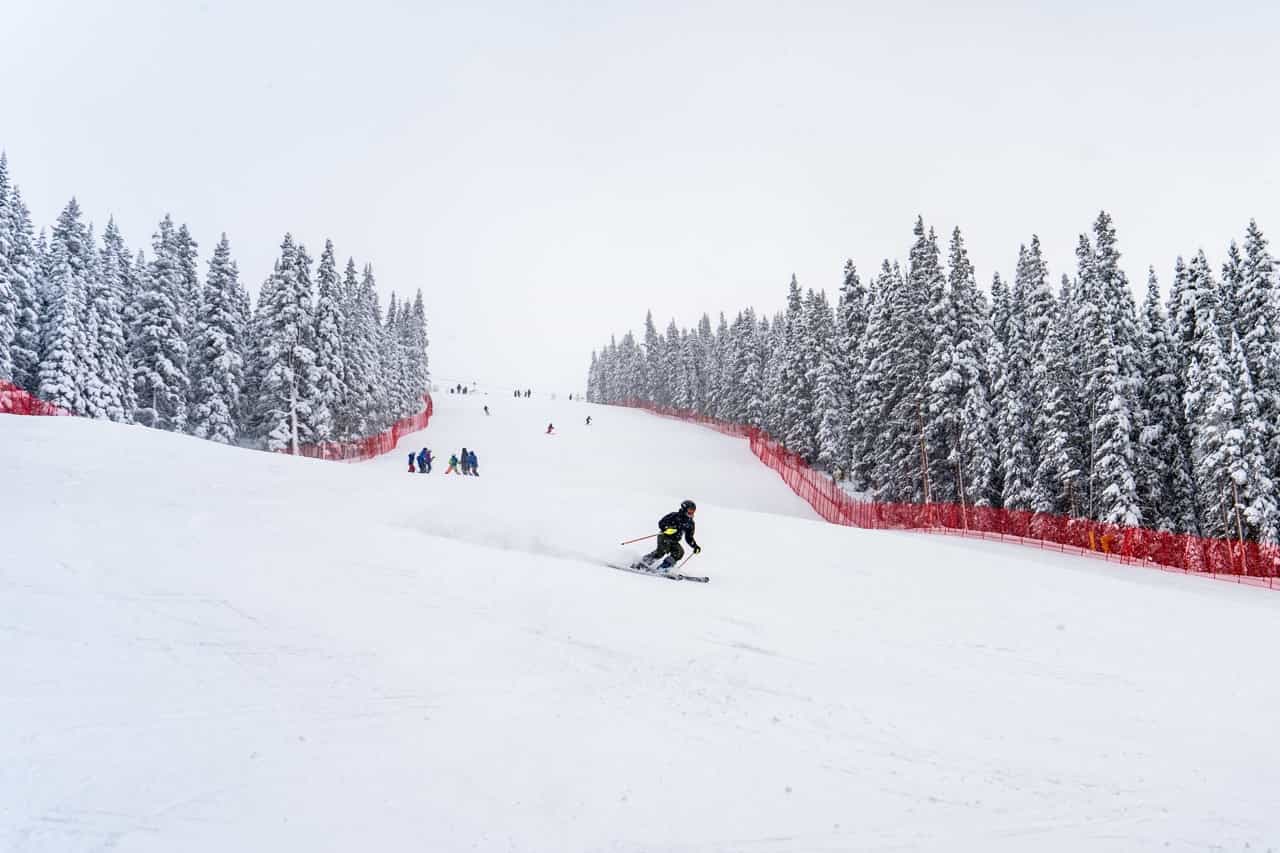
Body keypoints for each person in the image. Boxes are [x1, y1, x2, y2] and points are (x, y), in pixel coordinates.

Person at [635, 500, 701, 572]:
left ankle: (664, 567)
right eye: (690, 510)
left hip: (674, 540)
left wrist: (695, 546)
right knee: (662, 551)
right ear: (684, 509)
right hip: (664, 536)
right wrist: (667, 528)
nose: (691, 513)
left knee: (679, 552)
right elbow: (661, 523)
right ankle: (642, 563)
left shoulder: (690, 523)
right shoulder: (674, 516)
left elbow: (689, 537)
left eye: (693, 511)